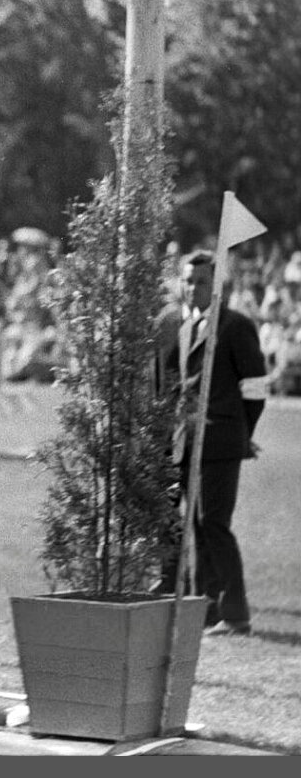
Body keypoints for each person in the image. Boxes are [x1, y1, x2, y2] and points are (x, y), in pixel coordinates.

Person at [155, 249, 269, 637]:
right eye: (188, 281)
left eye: (201, 282)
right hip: (182, 442)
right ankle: (204, 608)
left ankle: (236, 614)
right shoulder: (180, 325)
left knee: (213, 525)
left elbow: (255, 390)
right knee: (194, 527)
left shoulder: (236, 326)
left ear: (217, 285)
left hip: (220, 442)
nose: (193, 288)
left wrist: (239, 434)